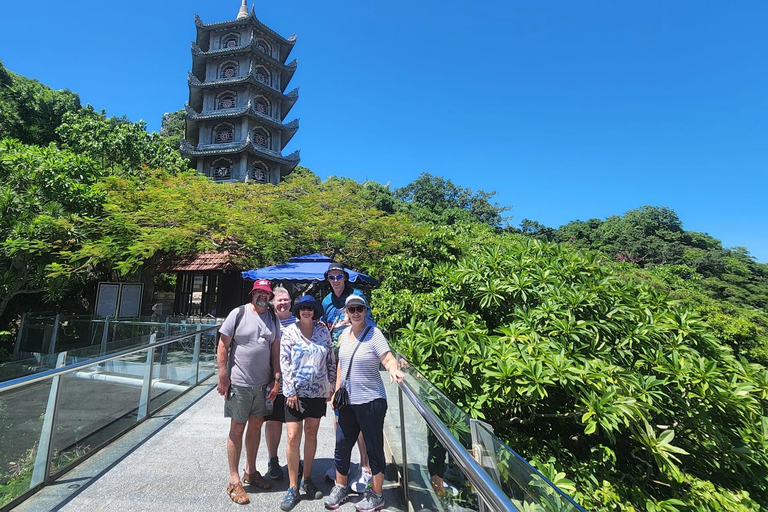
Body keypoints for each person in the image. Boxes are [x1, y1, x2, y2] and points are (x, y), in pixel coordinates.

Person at [325, 294, 404, 512]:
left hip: (371, 401)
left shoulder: (374, 334)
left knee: (373, 448)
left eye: (360, 308)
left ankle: (377, 494)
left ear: (366, 310)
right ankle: (340, 487)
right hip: (348, 402)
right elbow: (342, 363)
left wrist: (393, 368)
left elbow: (387, 357)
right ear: (347, 313)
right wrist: (337, 390)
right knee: (342, 445)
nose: (356, 312)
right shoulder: (344, 335)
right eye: (352, 309)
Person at [216, 279, 281, 505]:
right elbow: (223, 344)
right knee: (237, 426)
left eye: (267, 294)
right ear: (252, 294)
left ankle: (251, 471)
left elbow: (274, 350)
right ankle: (234, 480)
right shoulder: (239, 313)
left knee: (256, 424)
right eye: (259, 292)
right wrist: (223, 376)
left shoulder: (272, 318)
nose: (263, 296)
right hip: (240, 383)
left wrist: (276, 378)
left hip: (262, 384)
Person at [278, 295, 337, 510]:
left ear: (315, 311)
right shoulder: (289, 332)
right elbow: (284, 362)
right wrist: (290, 389)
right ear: (298, 311)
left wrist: (331, 384)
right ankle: (292, 486)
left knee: (311, 434)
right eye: (303, 308)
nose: (306, 311)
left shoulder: (323, 332)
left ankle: (307, 479)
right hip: (295, 394)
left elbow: (331, 358)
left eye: (310, 308)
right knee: (293, 436)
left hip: (318, 392)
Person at [321, 262, 375, 492]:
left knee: (360, 415)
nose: (335, 280)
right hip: (336, 363)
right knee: (338, 412)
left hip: (357, 361)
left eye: (339, 276)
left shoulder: (357, 296)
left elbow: (370, 323)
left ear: (345, 277)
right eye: (331, 277)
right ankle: (341, 465)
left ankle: (366, 469)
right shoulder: (325, 301)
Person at [264, 286, 296, 481]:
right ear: (273, 304)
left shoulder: (300, 320)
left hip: (295, 382)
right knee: (274, 421)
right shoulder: (269, 321)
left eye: (285, 300)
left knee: (294, 425)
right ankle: (273, 459)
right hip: (273, 380)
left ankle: (294, 459)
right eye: (279, 300)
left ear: (290, 302)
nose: (282, 303)